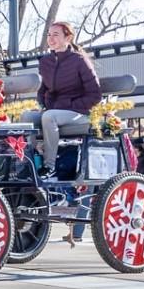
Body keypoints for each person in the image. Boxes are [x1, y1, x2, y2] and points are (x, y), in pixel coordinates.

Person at [20, 21, 100, 177]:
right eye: (49, 35)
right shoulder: (45, 62)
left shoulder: (79, 60)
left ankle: (50, 166)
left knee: (50, 116)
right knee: (26, 116)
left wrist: (69, 105)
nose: (51, 39)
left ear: (68, 37)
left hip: (78, 112)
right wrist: (42, 104)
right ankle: (30, 161)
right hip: (54, 111)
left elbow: (95, 95)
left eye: (56, 35)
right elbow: (42, 90)